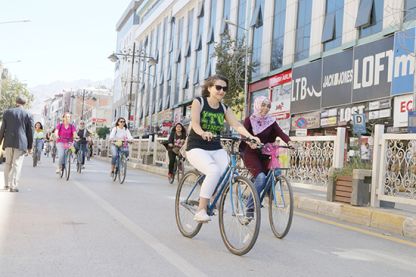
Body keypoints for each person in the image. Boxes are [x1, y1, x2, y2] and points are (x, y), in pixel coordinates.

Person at [185, 74, 260, 223]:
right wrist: (202, 133)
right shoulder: (198, 102)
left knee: (229, 172)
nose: (221, 91)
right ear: (209, 88)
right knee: (213, 170)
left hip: (215, 146)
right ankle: (201, 209)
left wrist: (250, 137)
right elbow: (195, 123)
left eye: (224, 88)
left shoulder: (224, 108)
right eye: (218, 87)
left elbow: (236, 125)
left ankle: (214, 196)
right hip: (196, 147)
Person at [239, 96, 292, 202]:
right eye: (263, 105)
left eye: (268, 106)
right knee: (261, 178)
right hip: (251, 153)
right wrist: (250, 142)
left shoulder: (271, 121)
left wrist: (290, 142)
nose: (266, 108)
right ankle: (250, 207)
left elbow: (280, 132)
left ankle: (267, 191)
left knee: (276, 173)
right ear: (257, 105)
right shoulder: (249, 120)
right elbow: (243, 135)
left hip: (266, 152)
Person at [0, 95, 34, 192]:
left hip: (8, 142)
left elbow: (2, 129)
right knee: (16, 164)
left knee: (7, 163)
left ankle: (6, 184)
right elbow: (30, 132)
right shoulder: (28, 114)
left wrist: (0, 141)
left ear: (16, 102)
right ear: (25, 103)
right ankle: (13, 186)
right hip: (21, 143)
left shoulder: (7, 112)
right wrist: (30, 146)